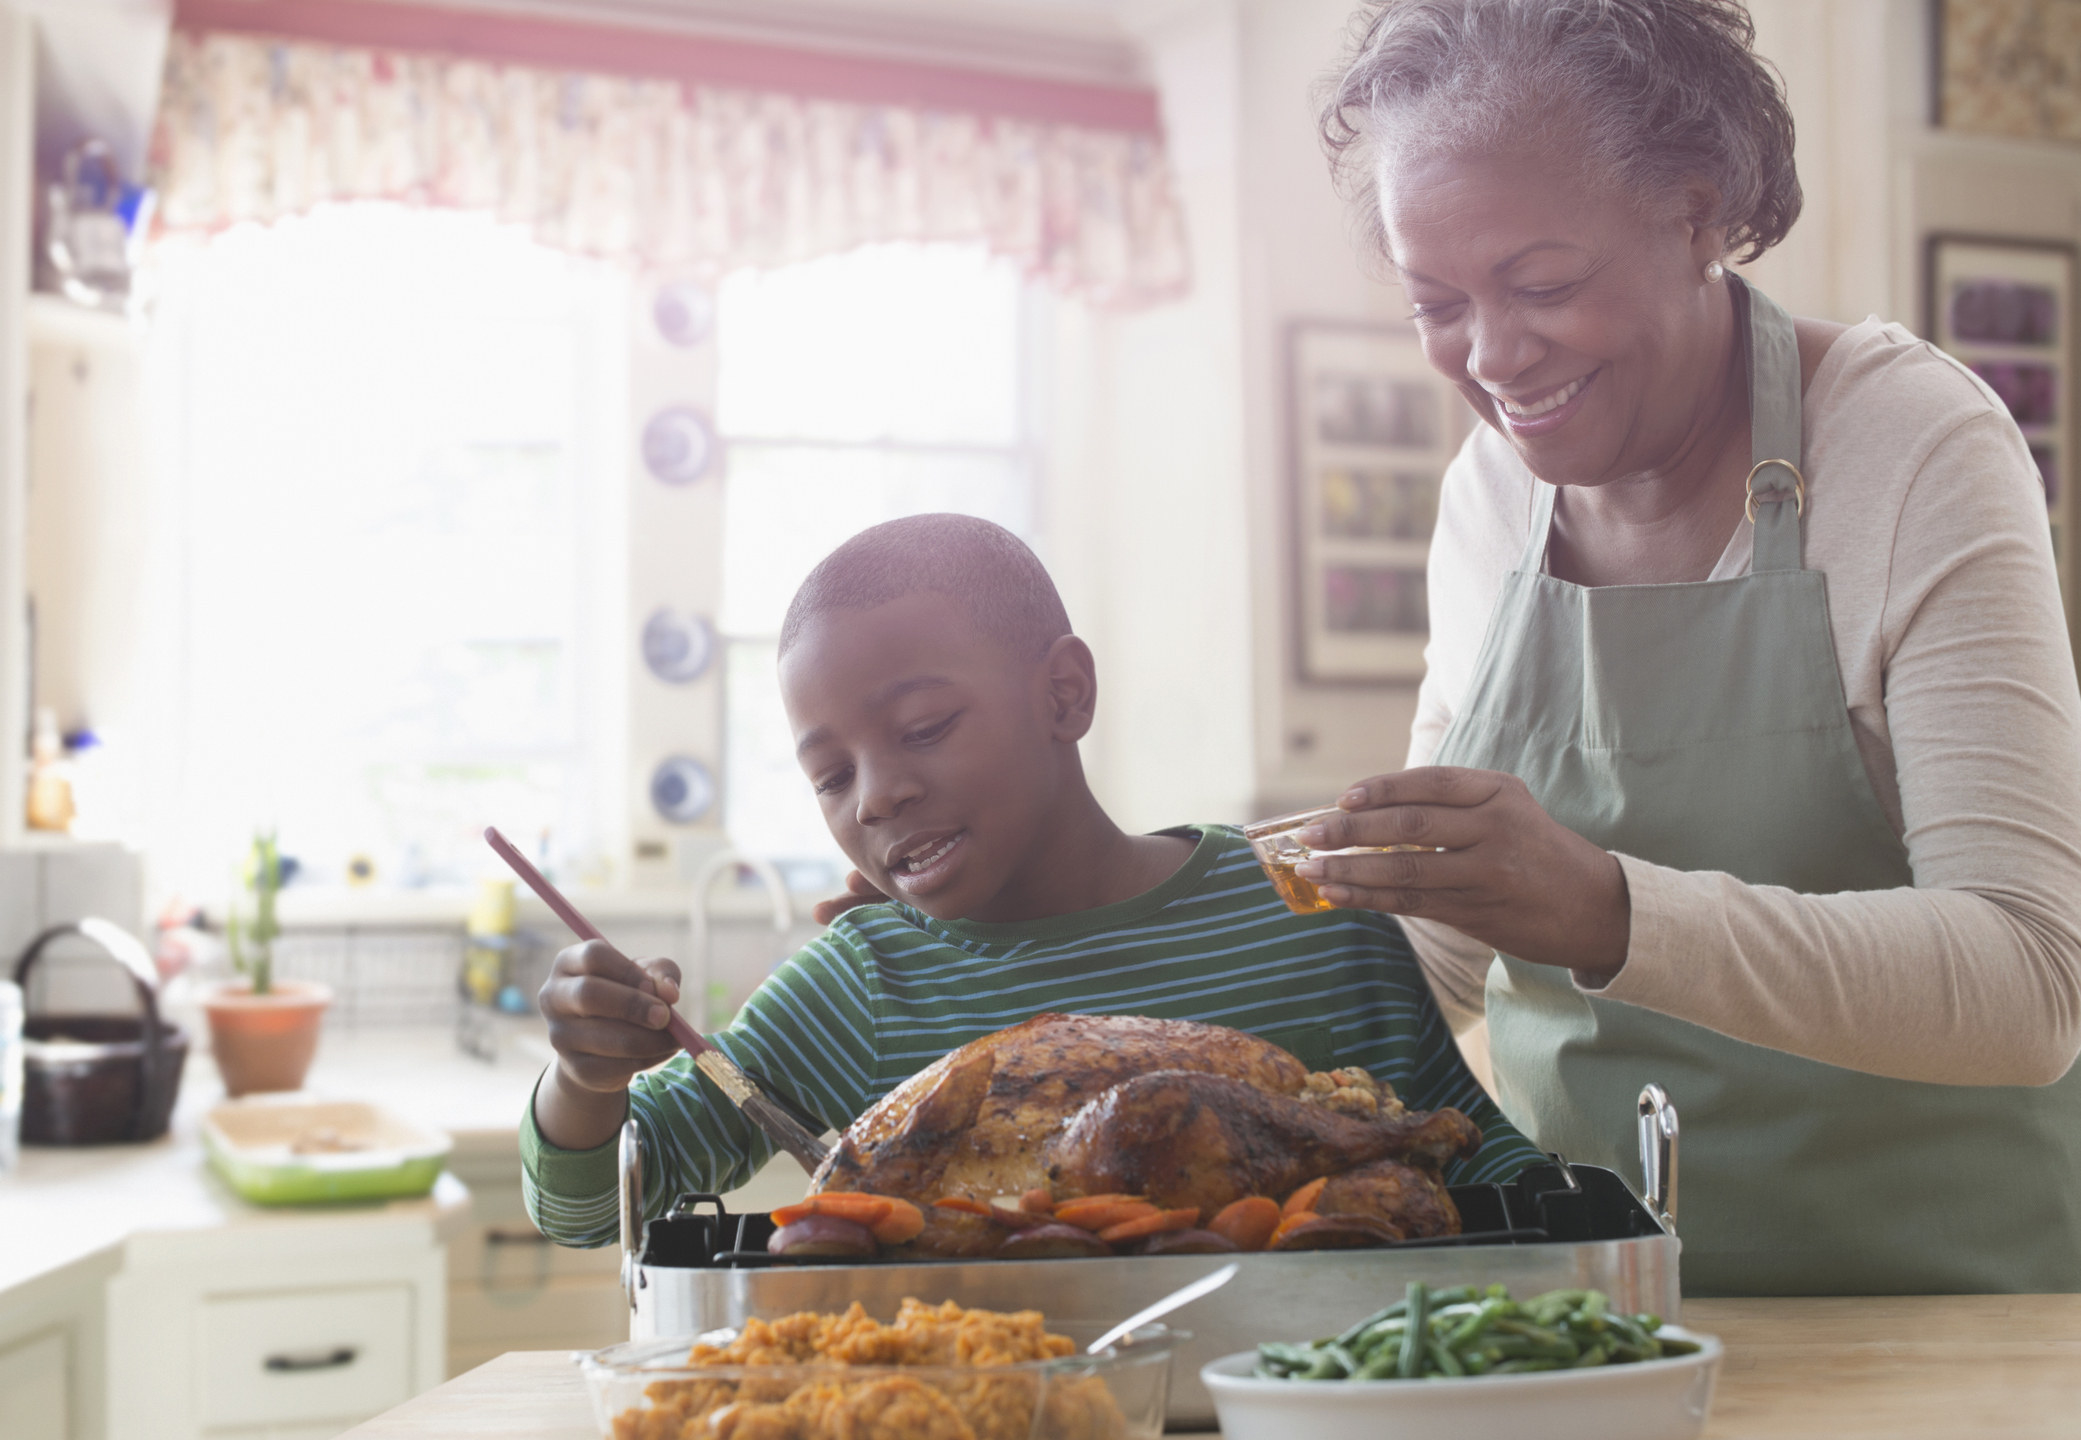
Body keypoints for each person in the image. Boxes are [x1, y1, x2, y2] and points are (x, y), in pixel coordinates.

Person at [1297, 0, 2081, 1294]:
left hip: (1941, 1310)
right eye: (1436, 303)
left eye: (1542, 284)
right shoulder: (1489, 502)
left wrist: (1608, 910)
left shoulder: (1911, 445)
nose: (1492, 358)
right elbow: (1436, 947)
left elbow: (2028, 980)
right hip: (1584, 1306)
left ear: (1697, 214)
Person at [523, 515, 1542, 1244]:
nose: (872, 799)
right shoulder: (858, 986)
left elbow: (1470, 1162)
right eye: (830, 776)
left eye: (922, 730)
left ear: (1063, 693)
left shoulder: (1301, 916)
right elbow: (588, 1208)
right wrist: (585, 1077)